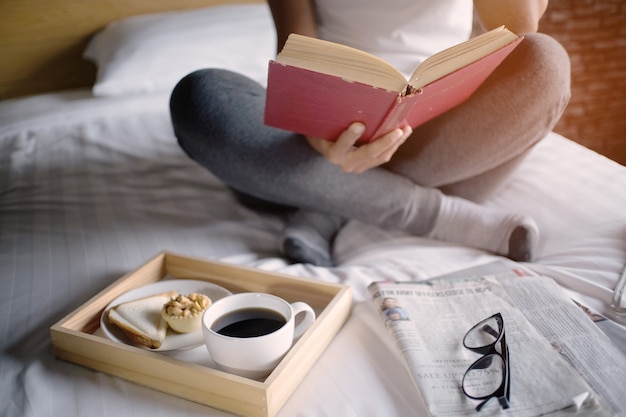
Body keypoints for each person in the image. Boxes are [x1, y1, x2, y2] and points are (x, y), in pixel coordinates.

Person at [169, 0, 570, 267]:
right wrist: (314, 131)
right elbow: (297, 50)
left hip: (438, 139)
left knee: (545, 63)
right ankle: (440, 216)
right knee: (202, 98)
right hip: (323, 131)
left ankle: (327, 201)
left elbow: (518, 30)